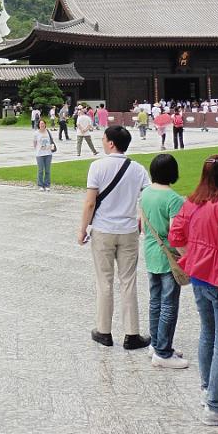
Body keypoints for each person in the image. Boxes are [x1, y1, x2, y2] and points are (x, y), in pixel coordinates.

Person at [169, 155, 218, 426]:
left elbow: (176, 234)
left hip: (199, 275)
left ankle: (207, 389)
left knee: (208, 332)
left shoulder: (193, 201)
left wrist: (196, 251)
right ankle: (215, 406)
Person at [78, 125, 151, 349]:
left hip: (103, 230)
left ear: (111, 143)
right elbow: (146, 198)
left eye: (103, 139)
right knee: (128, 282)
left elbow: (91, 202)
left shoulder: (97, 166)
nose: (102, 141)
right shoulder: (138, 169)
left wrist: (82, 229)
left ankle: (104, 331)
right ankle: (131, 334)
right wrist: (141, 219)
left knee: (104, 282)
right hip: (128, 230)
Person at [140, 154, 187, 369]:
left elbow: (141, 225)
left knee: (155, 301)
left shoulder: (146, 193)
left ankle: (156, 343)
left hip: (151, 253)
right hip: (169, 257)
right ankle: (163, 352)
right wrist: (187, 257)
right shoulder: (174, 199)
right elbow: (177, 236)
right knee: (169, 304)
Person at [33, 118, 56, 191]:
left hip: (48, 153)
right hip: (39, 154)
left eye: (43, 123)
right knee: (40, 170)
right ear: (38, 125)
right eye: (40, 124)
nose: (42, 125)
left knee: (47, 170)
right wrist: (37, 150)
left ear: (45, 124)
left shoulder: (48, 132)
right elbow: (35, 143)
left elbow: (51, 141)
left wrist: (51, 148)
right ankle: (40, 185)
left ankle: (47, 184)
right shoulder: (36, 133)